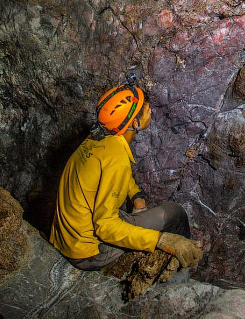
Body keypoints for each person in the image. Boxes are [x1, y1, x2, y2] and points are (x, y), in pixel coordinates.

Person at [50, 83, 203, 271]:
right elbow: (105, 227)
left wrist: (136, 196)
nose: (151, 112)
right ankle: (187, 263)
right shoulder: (117, 158)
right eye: (146, 110)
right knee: (174, 213)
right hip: (88, 251)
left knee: (128, 207)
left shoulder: (100, 137)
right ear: (134, 123)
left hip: (67, 233)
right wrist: (161, 240)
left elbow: (109, 175)